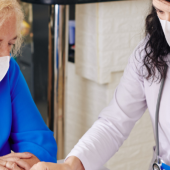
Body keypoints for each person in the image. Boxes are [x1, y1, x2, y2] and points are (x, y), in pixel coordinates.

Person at [30, 0, 170, 170]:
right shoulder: (149, 53)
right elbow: (114, 122)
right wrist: (70, 165)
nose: (167, 24)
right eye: (160, 12)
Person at [0, 0, 57, 170]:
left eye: (10, 44)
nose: (5, 54)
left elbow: (39, 141)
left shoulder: (9, 72)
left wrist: (17, 165)